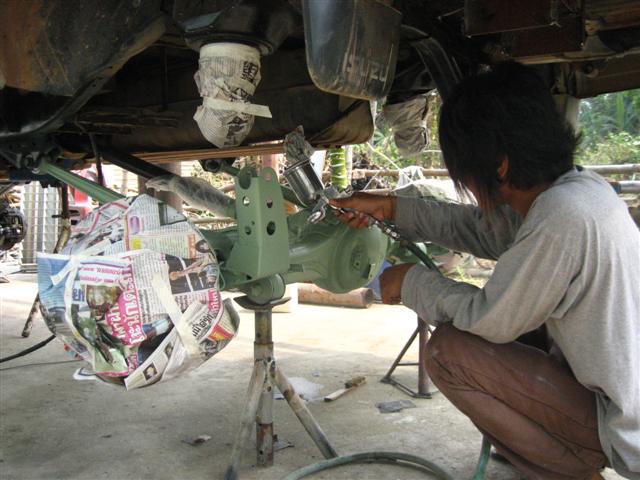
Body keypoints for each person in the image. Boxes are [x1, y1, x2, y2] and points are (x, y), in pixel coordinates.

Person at [332, 62, 640, 480]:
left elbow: (489, 318)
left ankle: (574, 473)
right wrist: (391, 207)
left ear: (499, 166)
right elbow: (481, 228)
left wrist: (412, 283)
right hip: (619, 397)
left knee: (450, 353)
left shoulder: (560, 217)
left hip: (623, 424)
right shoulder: (581, 191)